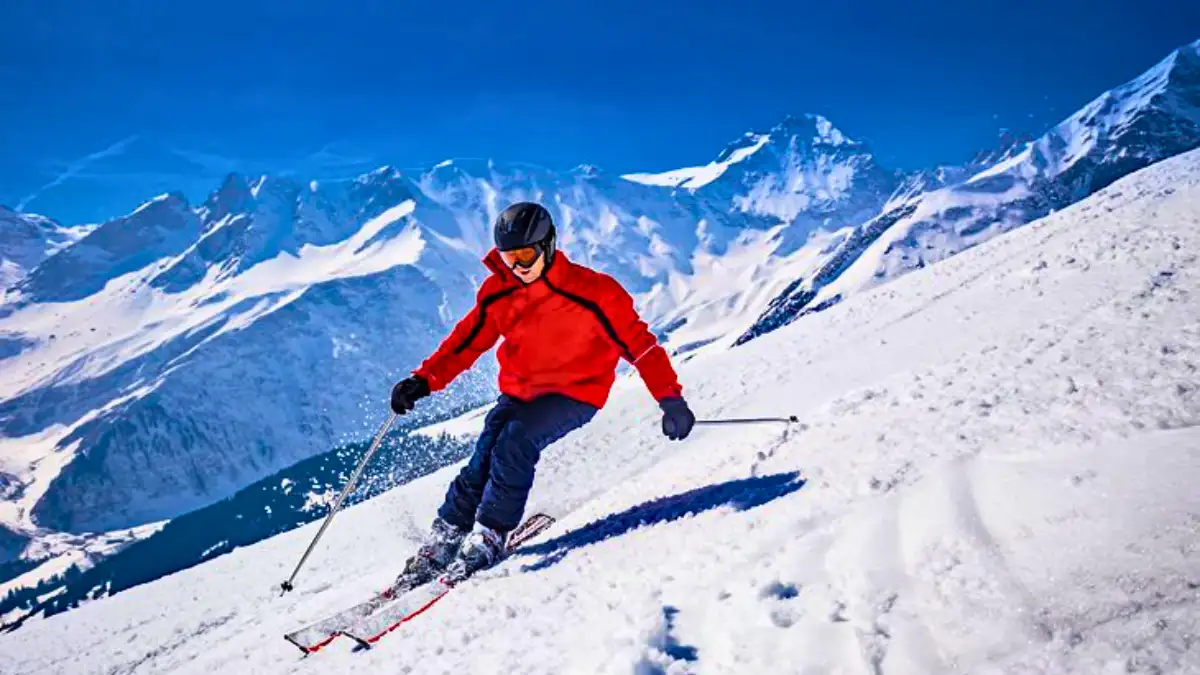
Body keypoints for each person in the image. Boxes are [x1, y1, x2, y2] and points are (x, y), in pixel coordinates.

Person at [388, 201, 695, 586]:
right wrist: (424, 379)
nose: (517, 266)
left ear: (547, 246)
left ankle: (491, 533)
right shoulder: (499, 292)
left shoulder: (595, 293)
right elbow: (466, 342)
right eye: (508, 257)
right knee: (483, 455)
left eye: (525, 255)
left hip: (575, 394)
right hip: (520, 392)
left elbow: (640, 346)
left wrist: (670, 399)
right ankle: (448, 533)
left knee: (514, 443)